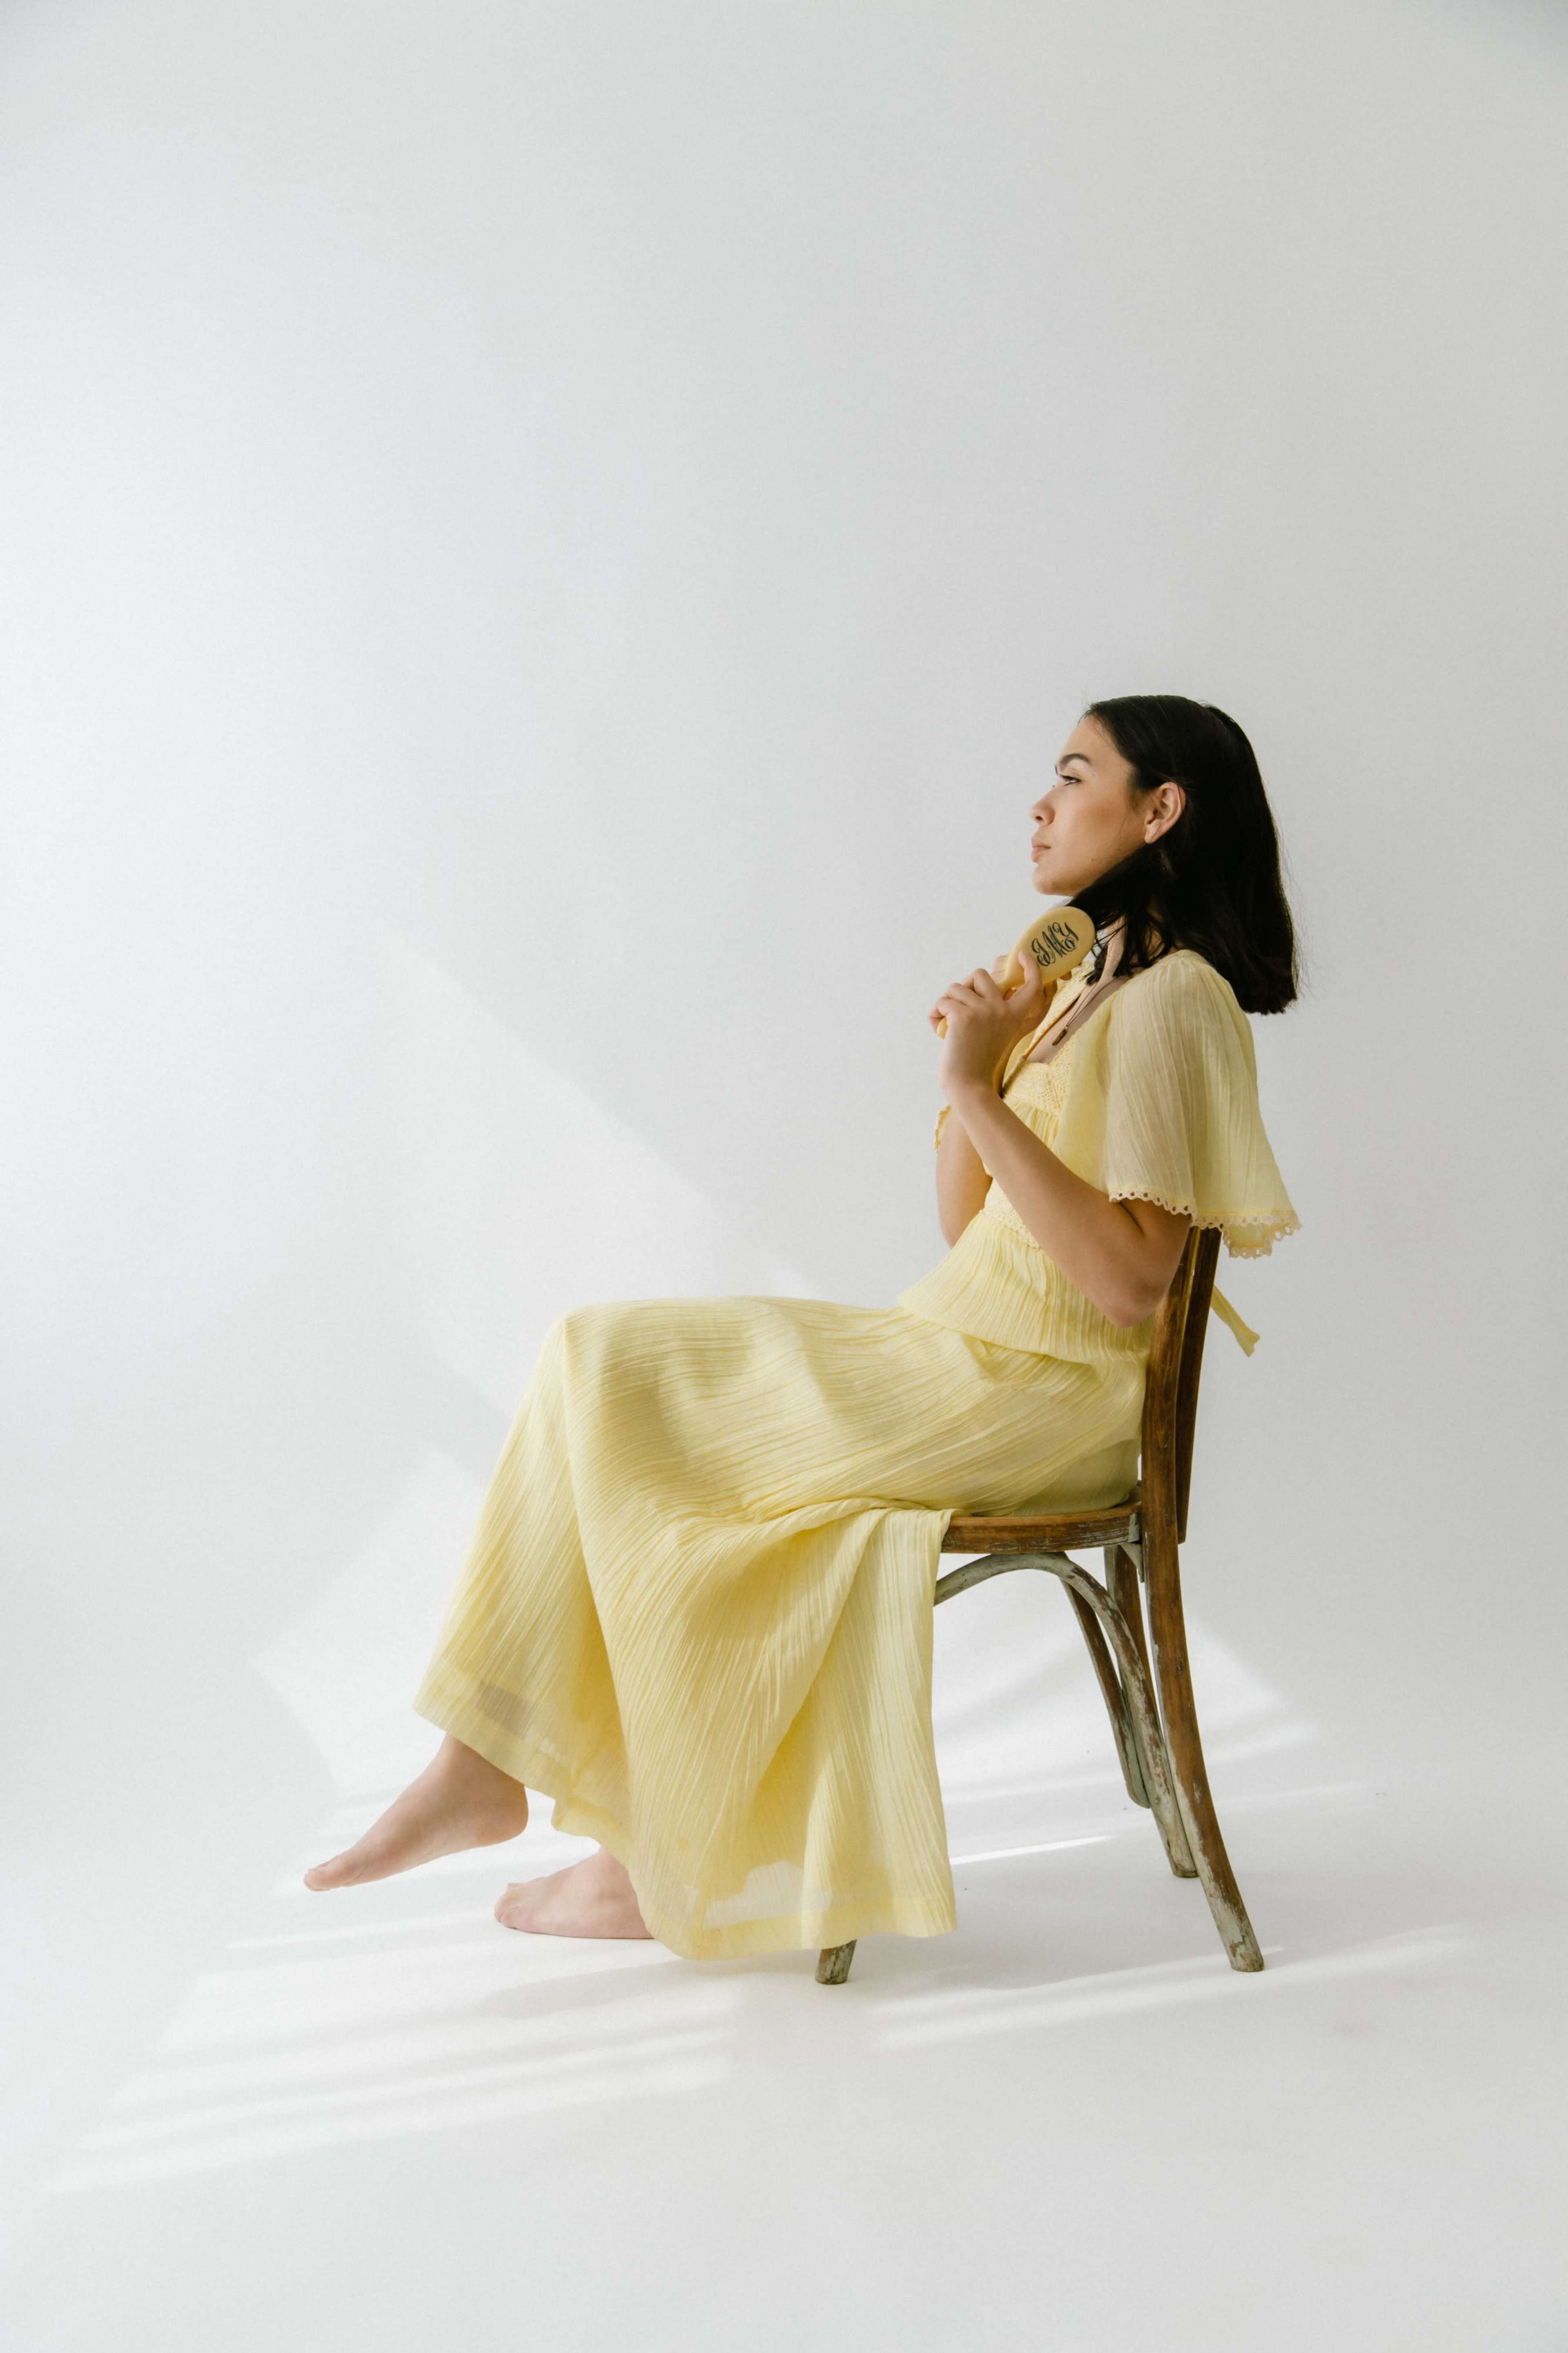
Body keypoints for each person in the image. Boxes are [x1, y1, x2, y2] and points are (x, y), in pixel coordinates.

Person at [304, 694, 1301, 1960]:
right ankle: (527, 1784)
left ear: (1160, 811)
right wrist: (986, 1065)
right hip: (953, 1343)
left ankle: (643, 1848)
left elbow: (1129, 1285)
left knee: (623, 1383)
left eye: (1073, 777)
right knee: (598, 1360)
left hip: (1043, 1389)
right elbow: (966, 1228)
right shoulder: (1082, 983)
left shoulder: (1178, 1003)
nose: (1040, 805)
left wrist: (964, 1092)